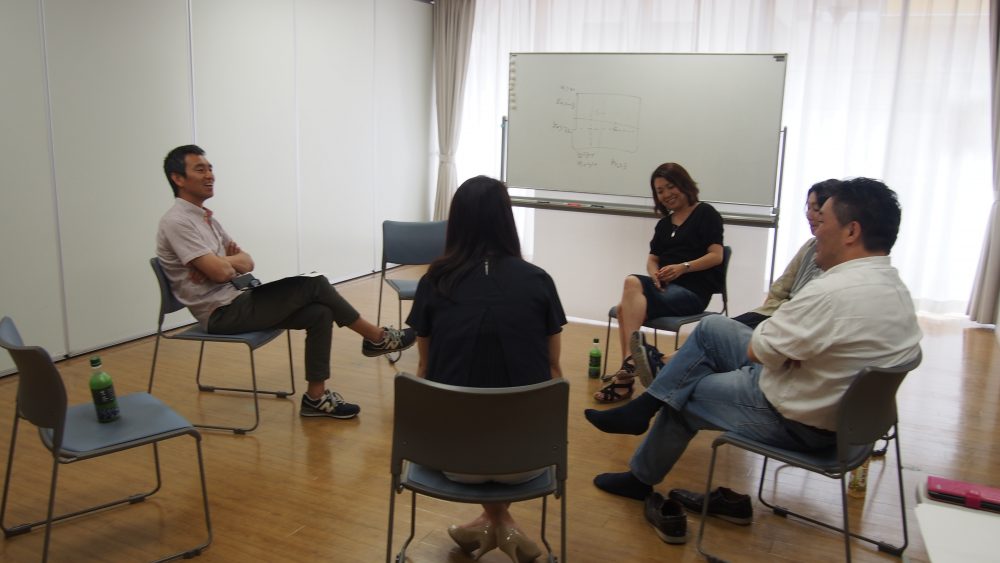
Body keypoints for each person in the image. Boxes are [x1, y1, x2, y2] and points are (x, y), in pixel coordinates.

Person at [582, 178, 922, 509]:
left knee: (685, 392)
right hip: (836, 410)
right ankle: (645, 406)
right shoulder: (896, 289)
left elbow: (756, 351)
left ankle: (640, 475)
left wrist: (780, 346)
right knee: (712, 327)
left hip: (799, 420)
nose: (816, 231)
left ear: (851, 231)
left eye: (823, 222)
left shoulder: (830, 292)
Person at [156, 145, 415, 420]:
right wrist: (222, 265)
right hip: (221, 313)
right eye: (200, 169)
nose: (210, 175)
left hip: (240, 299)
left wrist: (220, 262)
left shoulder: (207, 219)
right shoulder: (177, 222)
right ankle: (377, 337)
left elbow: (247, 262)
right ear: (178, 178)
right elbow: (221, 273)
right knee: (315, 283)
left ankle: (315, 398)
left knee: (320, 312)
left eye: (210, 168)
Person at [406, 175, 566, 563]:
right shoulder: (538, 281)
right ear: (506, 220)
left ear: (456, 222)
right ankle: (501, 524)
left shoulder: (434, 282)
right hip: (527, 459)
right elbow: (553, 370)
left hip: (452, 458)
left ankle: (489, 524)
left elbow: (424, 369)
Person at [595, 162, 724, 403]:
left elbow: (716, 256)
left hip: (692, 293)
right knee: (625, 305)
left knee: (630, 288)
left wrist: (683, 267)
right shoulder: (664, 224)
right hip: (664, 290)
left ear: (684, 185)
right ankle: (629, 369)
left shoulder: (705, 213)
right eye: (660, 191)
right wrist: (654, 274)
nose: (666, 194)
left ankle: (627, 371)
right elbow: (652, 259)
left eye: (670, 187)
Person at [732, 178, 839, 329]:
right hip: (778, 314)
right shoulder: (810, 245)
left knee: (713, 328)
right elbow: (780, 287)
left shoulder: (838, 255)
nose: (809, 215)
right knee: (714, 327)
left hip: (796, 322)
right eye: (808, 208)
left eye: (816, 210)